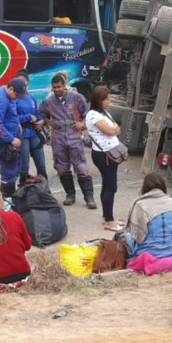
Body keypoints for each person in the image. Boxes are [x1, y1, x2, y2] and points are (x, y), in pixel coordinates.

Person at [39, 73, 95, 208]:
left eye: (59, 87)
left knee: (81, 167)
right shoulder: (49, 100)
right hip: (58, 138)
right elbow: (42, 112)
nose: (57, 90)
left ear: (64, 85)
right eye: (54, 88)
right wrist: (48, 122)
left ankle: (89, 198)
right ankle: (70, 195)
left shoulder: (76, 98)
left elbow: (89, 112)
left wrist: (83, 124)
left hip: (74, 136)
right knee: (62, 168)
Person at [85, 85, 122, 230]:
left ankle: (107, 217)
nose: (109, 102)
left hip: (111, 153)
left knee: (107, 185)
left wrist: (114, 130)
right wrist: (113, 130)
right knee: (111, 187)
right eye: (106, 99)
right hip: (104, 155)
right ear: (98, 100)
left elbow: (116, 128)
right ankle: (109, 220)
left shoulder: (104, 113)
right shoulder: (93, 115)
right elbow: (110, 130)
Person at [123, 173, 172, 259]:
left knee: (121, 235)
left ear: (145, 187)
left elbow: (137, 237)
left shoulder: (140, 205)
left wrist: (127, 235)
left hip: (148, 252)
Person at [0, 78, 26, 197]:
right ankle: (7, 202)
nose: (17, 97)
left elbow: (10, 114)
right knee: (9, 172)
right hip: (2, 141)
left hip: (9, 137)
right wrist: (11, 139)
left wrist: (17, 123)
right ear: (10, 89)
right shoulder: (2, 100)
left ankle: (8, 199)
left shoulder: (6, 91)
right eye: (16, 94)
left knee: (15, 169)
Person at [14, 70, 47, 185]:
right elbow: (12, 118)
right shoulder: (14, 99)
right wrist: (28, 117)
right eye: (18, 81)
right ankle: (24, 192)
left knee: (41, 165)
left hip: (34, 133)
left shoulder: (31, 97)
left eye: (23, 81)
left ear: (27, 82)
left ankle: (44, 190)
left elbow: (36, 113)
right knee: (24, 166)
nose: (21, 83)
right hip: (22, 135)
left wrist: (42, 120)